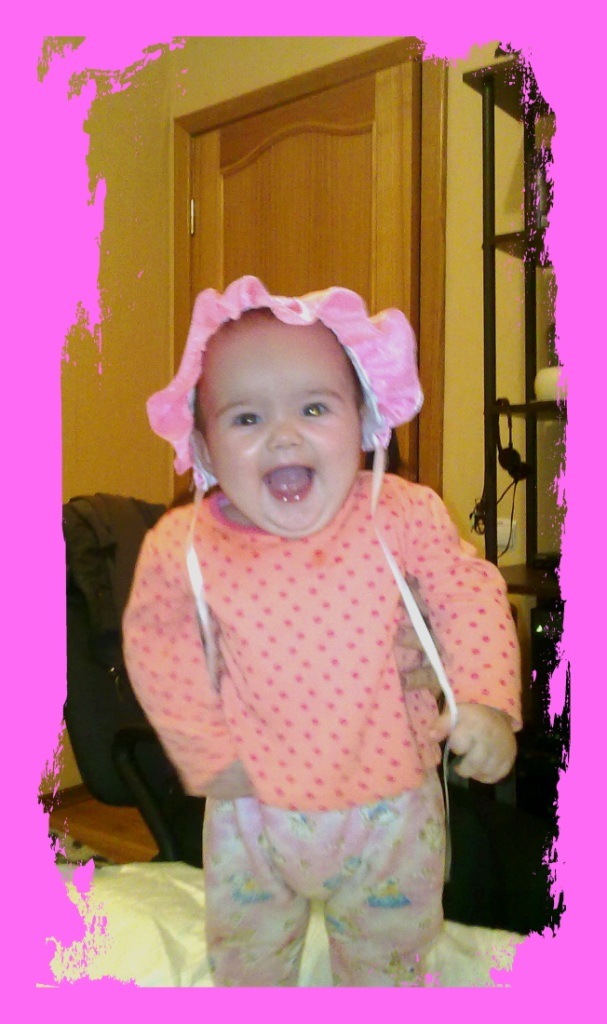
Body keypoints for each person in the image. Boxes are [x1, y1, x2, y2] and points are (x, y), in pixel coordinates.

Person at [123, 275, 521, 987]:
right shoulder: (184, 547)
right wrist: (203, 748)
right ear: (205, 448)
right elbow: (160, 648)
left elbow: (468, 593)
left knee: (389, 962)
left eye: (314, 408)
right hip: (252, 810)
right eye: (246, 418)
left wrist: (483, 696)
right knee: (247, 962)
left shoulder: (400, 514)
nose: (284, 435)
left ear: (363, 420)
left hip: (390, 808)